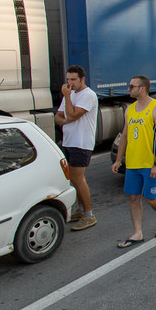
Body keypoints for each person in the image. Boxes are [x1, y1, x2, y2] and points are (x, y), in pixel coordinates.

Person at [111, 75, 156, 248]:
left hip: (150, 163)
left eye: (131, 86)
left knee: (151, 199)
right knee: (133, 198)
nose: (129, 89)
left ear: (142, 88)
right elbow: (125, 136)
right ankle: (137, 233)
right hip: (133, 163)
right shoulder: (130, 109)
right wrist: (118, 161)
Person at [54, 65, 99, 231]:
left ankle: (88, 215)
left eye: (73, 80)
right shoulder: (71, 94)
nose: (70, 83)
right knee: (73, 178)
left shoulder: (88, 95)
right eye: (68, 80)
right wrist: (66, 119)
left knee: (78, 178)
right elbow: (58, 117)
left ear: (82, 79)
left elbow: (72, 115)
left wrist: (67, 98)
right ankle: (81, 210)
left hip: (81, 143)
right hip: (68, 141)